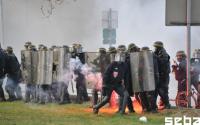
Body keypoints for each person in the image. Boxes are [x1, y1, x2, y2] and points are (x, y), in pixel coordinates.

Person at [93, 45, 126, 114]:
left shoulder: (123, 65)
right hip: (109, 84)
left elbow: (121, 75)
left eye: (123, 55)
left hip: (117, 84)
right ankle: (96, 107)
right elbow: (106, 75)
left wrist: (121, 82)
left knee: (124, 94)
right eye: (121, 55)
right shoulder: (112, 64)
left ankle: (121, 111)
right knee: (107, 99)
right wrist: (104, 84)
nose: (122, 57)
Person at [153, 41, 171, 109]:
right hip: (161, 75)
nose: (155, 48)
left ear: (158, 47)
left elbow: (162, 63)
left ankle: (167, 105)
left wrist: (155, 57)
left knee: (162, 91)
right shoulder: (158, 53)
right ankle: (155, 106)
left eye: (156, 47)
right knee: (157, 91)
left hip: (164, 76)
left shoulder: (164, 54)